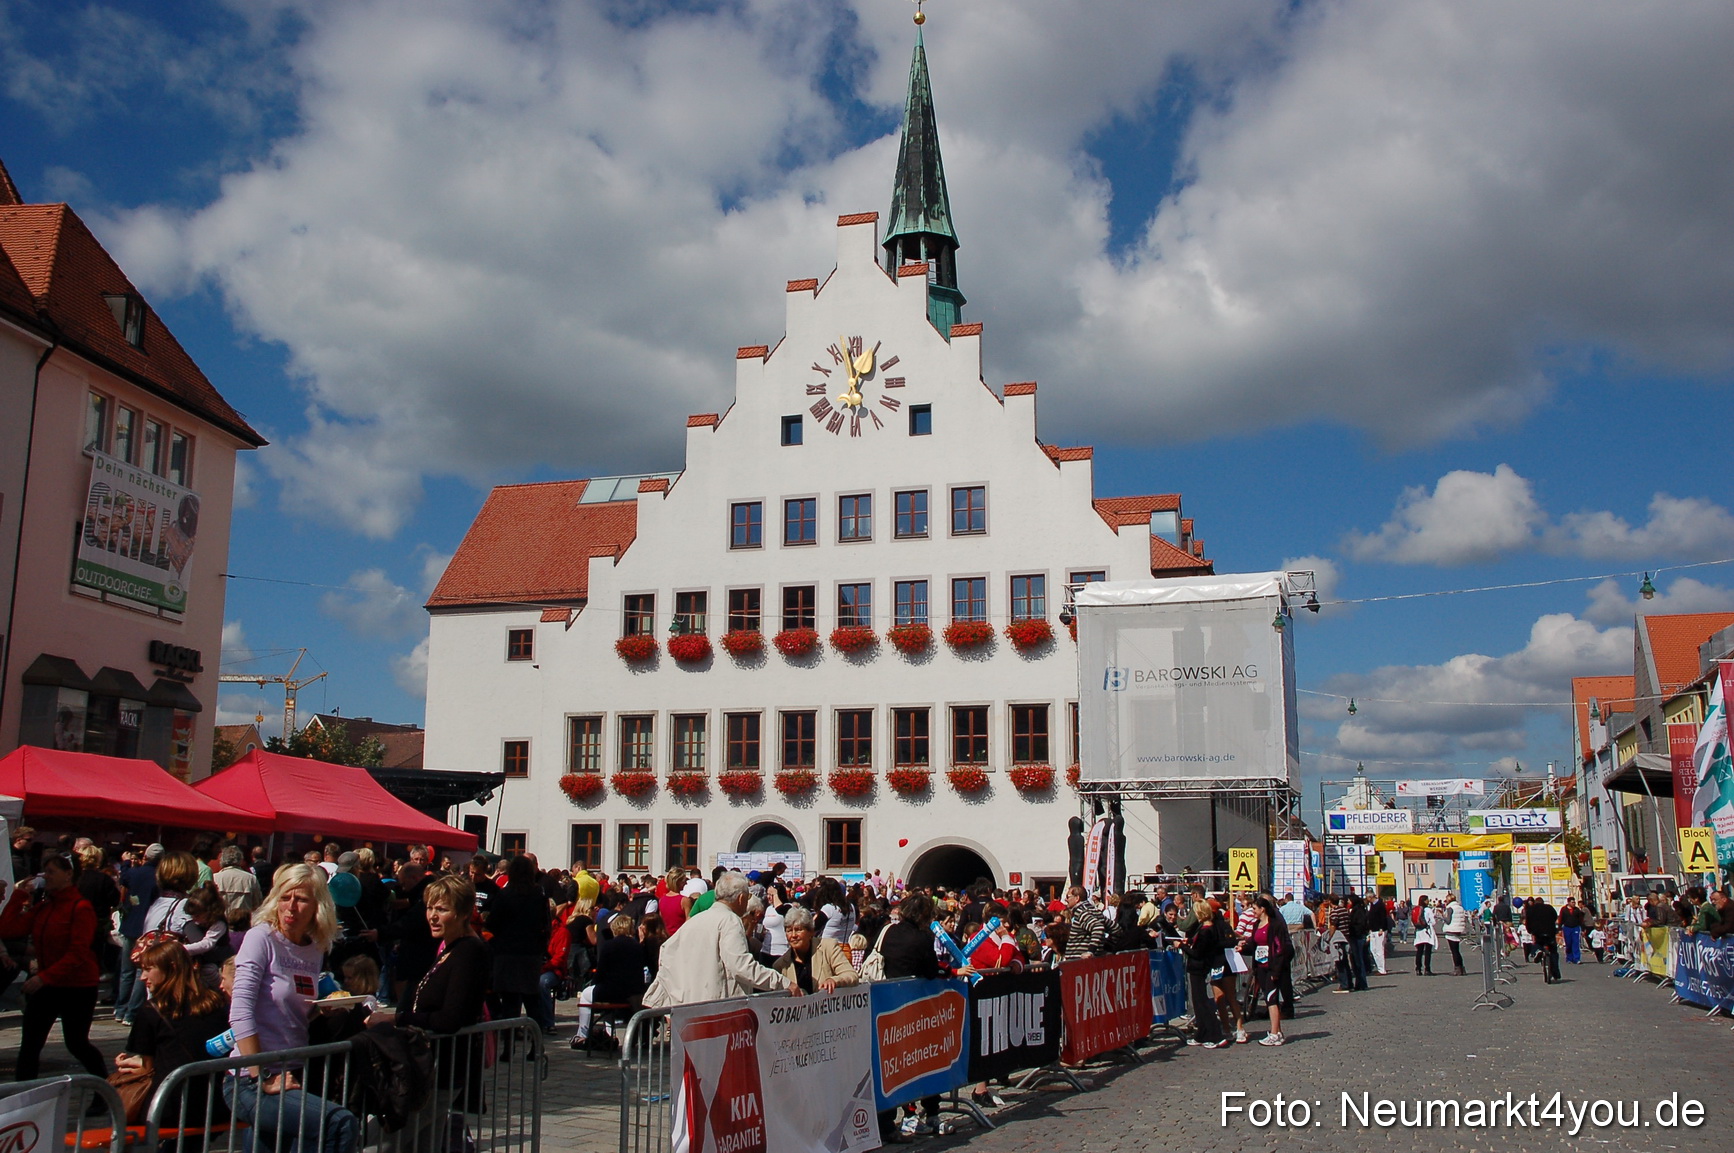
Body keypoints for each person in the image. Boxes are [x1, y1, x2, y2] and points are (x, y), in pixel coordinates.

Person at [225, 863, 360, 1153]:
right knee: (341, 1123)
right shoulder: (261, 938)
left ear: (317, 906)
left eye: (301, 900)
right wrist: (262, 1074)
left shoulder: (315, 948)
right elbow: (240, 1010)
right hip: (252, 1079)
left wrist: (322, 1009)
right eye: (285, 897)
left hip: (295, 1071)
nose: (291, 907)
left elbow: (292, 1008)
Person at [366, 873, 487, 1153]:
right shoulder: (450, 948)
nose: (432, 916)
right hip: (431, 1069)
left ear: (463, 913)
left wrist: (397, 1018)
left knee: (379, 1143)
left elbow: (451, 1018)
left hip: (441, 1071)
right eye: (430, 908)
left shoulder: (470, 952)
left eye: (442, 909)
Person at [2, 852, 106, 1080]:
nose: (46, 877)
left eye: (51, 872)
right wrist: (18, 895)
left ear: (68, 875)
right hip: (49, 983)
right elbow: (8, 929)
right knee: (30, 1045)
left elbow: (78, 952)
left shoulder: (80, 907)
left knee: (77, 1043)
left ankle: (105, 1087)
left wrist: (43, 977)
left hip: (77, 986)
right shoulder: (44, 908)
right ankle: (24, 1099)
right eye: (45, 872)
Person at [642, 872, 799, 1008]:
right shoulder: (730, 920)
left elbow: (667, 952)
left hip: (688, 1007)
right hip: (718, 1010)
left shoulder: (695, 921)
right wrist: (782, 983)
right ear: (741, 898)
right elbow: (741, 966)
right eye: (748, 896)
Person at [115, 940, 230, 1122]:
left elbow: (147, 1066)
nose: (142, 977)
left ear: (171, 968)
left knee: (122, 1093)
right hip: (216, 1103)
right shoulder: (215, 1002)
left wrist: (132, 1063)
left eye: (148, 969)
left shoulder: (152, 1010)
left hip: (171, 1104)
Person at [485, 855, 550, 1028]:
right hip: (530, 954)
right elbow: (546, 925)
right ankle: (536, 1046)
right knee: (532, 1001)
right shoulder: (539, 896)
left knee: (509, 1004)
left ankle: (508, 1046)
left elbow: (492, 924)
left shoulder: (504, 895)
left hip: (507, 953)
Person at [572, 913, 647, 1046]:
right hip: (633, 992)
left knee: (585, 995)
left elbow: (601, 972)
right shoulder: (637, 946)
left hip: (612, 991)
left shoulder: (609, 946)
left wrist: (595, 984)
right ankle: (608, 1031)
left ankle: (582, 1034)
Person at [1182, 899, 1231, 1050]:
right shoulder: (1205, 928)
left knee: (1202, 1002)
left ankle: (1214, 1034)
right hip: (1199, 968)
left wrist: (1183, 946)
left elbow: (1197, 953)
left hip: (1199, 967)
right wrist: (1190, 941)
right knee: (1198, 1003)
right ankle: (1201, 1033)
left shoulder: (1206, 930)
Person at [1243, 897, 1293, 1046]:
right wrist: (1243, 949)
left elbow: (1280, 949)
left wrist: (1276, 971)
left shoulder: (1275, 925)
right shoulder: (1256, 925)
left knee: (1271, 1000)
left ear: (1262, 909)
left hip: (1272, 968)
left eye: (1254, 909)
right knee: (1269, 999)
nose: (1253, 912)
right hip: (1261, 967)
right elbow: (1254, 944)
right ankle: (1277, 1031)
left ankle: (1274, 1033)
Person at [1061, 886, 1108, 961]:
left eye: (1068, 897)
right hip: (1091, 962)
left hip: (1080, 964)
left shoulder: (1081, 912)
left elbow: (1098, 927)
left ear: (1077, 898)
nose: (1066, 899)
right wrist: (1107, 947)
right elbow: (1115, 928)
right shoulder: (1095, 911)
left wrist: (1090, 951)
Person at [214, 845, 263, 915]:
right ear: (241, 860)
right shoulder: (251, 879)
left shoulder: (215, 878)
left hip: (221, 921)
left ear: (222, 859)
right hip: (243, 922)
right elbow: (258, 903)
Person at [1523, 895, 1560, 983]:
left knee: (1537, 944)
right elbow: (1555, 917)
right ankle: (1556, 972)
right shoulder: (1549, 908)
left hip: (1538, 932)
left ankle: (1537, 951)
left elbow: (1528, 922)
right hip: (1550, 932)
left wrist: (1530, 931)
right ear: (1543, 902)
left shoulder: (1531, 910)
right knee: (1553, 952)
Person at [1442, 895, 1471, 977]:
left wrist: (1442, 916)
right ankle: (1461, 968)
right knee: (1457, 950)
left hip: (1451, 930)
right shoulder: (1460, 907)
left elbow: (1448, 920)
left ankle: (1457, 968)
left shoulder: (1450, 908)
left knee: (1454, 951)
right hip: (1458, 929)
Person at [1412, 895, 1437, 975]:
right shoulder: (1428, 910)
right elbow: (1433, 922)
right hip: (1427, 932)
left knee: (1419, 951)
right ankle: (1427, 969)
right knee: (1427, 951)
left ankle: (1418, 968)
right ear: (1425, 901)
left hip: (1419, 932)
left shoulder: (1416, 909)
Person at [1558, 897, 1586, 963]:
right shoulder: (1564, 909)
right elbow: (1560, 919)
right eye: (1572, 902)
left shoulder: (1577, 910)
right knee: (1568, 943)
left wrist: (1582, 929)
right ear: (1568, 902)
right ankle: (1569, 958)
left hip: (1575, 928)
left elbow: (1580, 920)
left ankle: (1577, 958)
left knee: (1576, 943)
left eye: (1574, 902)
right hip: (1567, 928)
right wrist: (1559, 928)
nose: (1574, 904)